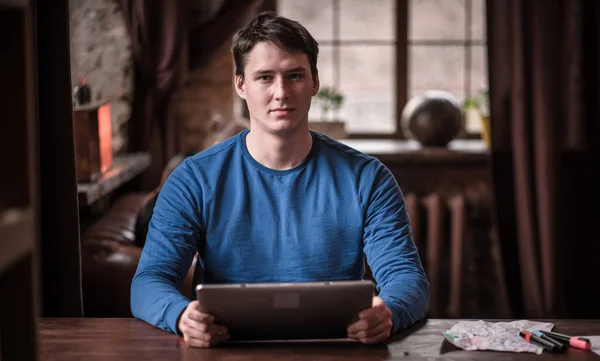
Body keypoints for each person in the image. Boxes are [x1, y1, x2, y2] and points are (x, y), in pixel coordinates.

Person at [131, 11, 429, 348]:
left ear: (315, 81)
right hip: (227, 350)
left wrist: (389, 311)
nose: (281, 92)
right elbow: (149, 281)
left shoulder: (369, 178)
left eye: (294, 75)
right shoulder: (193, 180)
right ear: (240, 84)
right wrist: (181, 315)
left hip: (338, 350)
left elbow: (407, 278)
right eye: (264, 77)